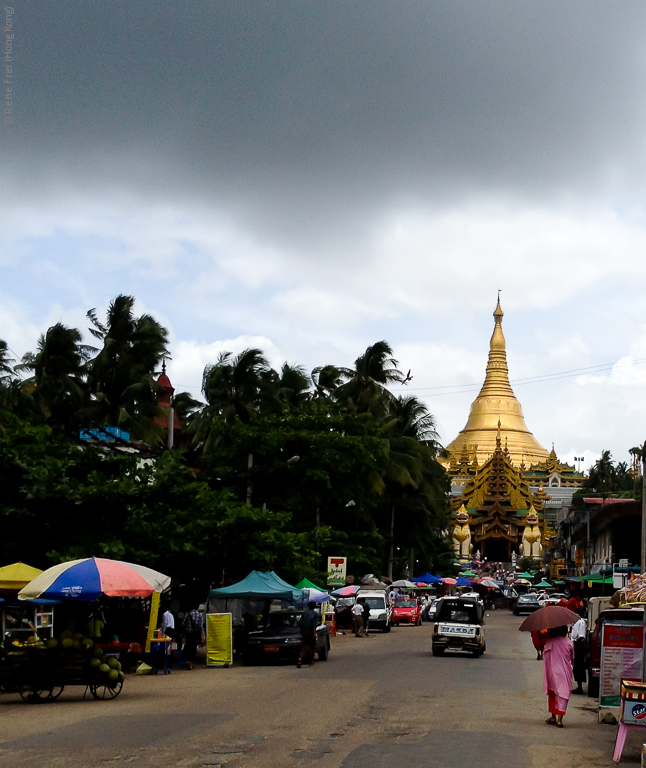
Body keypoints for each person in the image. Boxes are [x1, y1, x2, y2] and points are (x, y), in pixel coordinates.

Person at [543, 625, 574, 727]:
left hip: (552, 671)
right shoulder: (569, 643)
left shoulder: (550, 642)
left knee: (553, 693)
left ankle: (553, 716)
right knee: (563, 694)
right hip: (564, 671)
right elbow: (572, 658)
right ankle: (560, 719)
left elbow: (546, 656)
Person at [182, 605, 204, 670]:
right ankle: (192, 662)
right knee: (194, 648)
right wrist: (202, 636)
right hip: (196, 634)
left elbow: (183, 623)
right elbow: (201, 627)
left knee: (189, 647)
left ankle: (189, 663)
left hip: (189, 634)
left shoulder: (188, 614)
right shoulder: (200, 615)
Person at [297, 601, 319, 668]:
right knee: (312, 646)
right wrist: (315, 633)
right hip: (311, 631)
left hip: (304, 631)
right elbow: (314, 625)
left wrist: (301, 631)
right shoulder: (315, 614)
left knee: (304, 645)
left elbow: (300, 623)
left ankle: (300, 658)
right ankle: (311, 662)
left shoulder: (304, 613)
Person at [571, 607, 587, 694]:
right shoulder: (579, 622)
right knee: (577, 665)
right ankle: (579, 685)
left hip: (578, 644)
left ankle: (580, 687)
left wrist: (575, 640)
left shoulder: (579, 622)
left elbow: (578, 635)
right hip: (578, 643)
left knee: (578, 665)